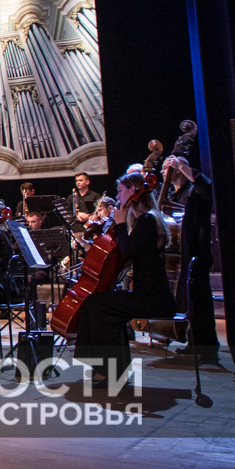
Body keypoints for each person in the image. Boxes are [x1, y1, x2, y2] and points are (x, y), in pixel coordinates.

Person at [73, 172, 176, 385]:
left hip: (153, 299)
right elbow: (126, 255)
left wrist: (119, 224)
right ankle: (113, 370)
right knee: (101, 303)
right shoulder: (145, 220)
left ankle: (108, 372)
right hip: (149, 295)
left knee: (96, 304)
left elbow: (128, 250)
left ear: (133, 191)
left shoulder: (147, 220)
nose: (118, 196)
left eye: (120, 191)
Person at [161, 155, 219, 363]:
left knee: (201, 301)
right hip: (180, 255)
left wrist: (183, 166)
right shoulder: (172, 195)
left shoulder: (194, 190)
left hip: (196, 252)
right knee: (190, 302)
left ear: (178, 169)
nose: (163, 172)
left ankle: (209, 348)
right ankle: (193, 342)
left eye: (166, 168)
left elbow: (207, 187)